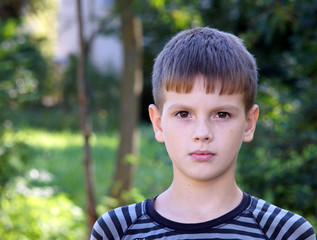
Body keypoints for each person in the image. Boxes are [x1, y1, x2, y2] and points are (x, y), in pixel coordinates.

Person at [90, 27, 316, 240]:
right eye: (183, 114)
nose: (202, 133)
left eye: (222, 115)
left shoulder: (286, 233)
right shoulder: (116, 230)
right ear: (158, 123)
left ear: (249, 123)